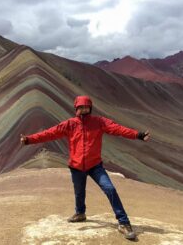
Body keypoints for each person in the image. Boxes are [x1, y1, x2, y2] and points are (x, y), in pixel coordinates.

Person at [20, 95, 150, 240]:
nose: (84, 110)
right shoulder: (69, 124)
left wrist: (137, 135)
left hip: (95, 166)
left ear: (90, 108)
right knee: (79, 192)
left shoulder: (99, 122)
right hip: (76, 166)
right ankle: (80, 213)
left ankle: (124, 223)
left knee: (110, 189)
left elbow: (118, 129)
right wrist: (29, 139)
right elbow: (49, 133)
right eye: (81, 107)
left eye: (86, 107)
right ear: (76, 108)